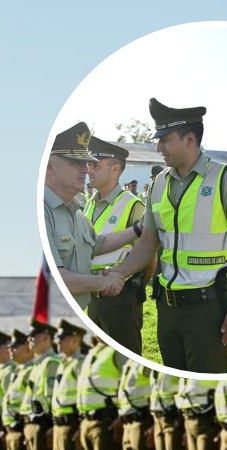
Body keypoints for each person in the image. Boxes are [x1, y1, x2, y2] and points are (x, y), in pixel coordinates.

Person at [106, 100, 227, 372]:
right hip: (167, 308)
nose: (158, 147)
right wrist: (119, 272)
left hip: (208, 309)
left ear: (190, 139)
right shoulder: (157, 185)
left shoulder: (226, 180)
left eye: (164, 140)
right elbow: (148, 243)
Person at [44, 123, 140, 310]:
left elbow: (97, 244)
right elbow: (54, 278)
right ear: (49, 167)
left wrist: (139, 229)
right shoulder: (42, 211)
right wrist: (101, 282)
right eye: (76, 163)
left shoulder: (76, 212)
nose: (86, 170)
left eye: (87, 163)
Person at [84, 136, 151, 355]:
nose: (89, 170)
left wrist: (134, 288)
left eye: (95, 165)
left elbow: (149, 254)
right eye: (88, 164)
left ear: (114, 169)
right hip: (91, 295)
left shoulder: (132, 204)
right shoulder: (89, 204)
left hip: (120, 299)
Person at [21, 321, 62, 450]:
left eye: (33, 337)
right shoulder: (38, 364)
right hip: (32, 423)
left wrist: (52, 425)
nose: (30, 341)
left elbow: (53, 397)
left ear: (46, 338)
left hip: (44, 424)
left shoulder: (51, 363)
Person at [50, 320, 88, 450]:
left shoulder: (79, 363)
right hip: (58, 424)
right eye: (58, 339)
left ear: (75, 340)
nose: (59, 342)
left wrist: (79, 426)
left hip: (72, 422)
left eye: (63, 338)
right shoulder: (64, 364)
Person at [2, 329, 36, 450]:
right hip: (10, 429)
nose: (11, 350)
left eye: (15, 347)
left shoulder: (32, 369)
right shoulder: (19, 371)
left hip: (24, 428)